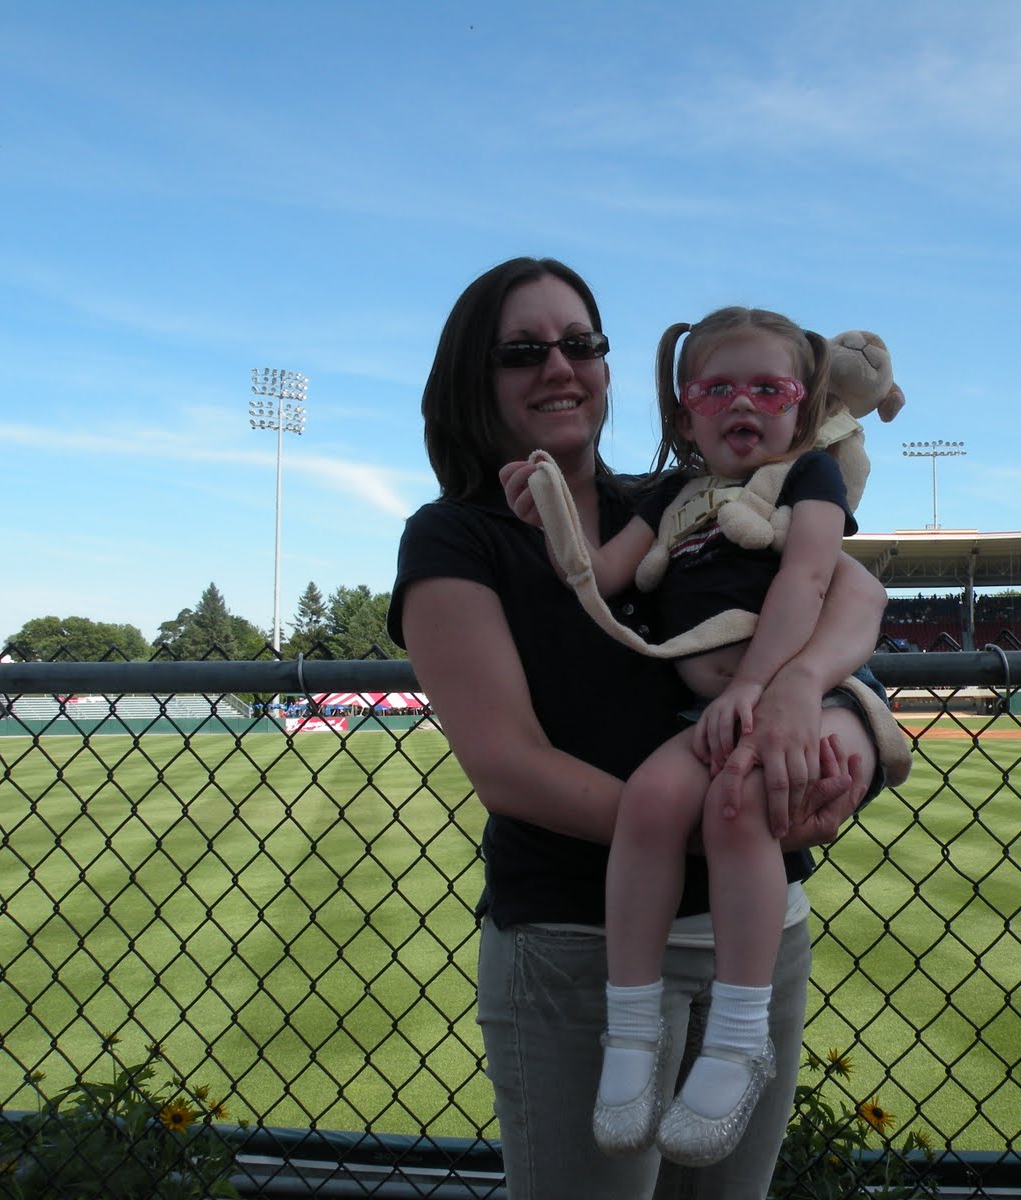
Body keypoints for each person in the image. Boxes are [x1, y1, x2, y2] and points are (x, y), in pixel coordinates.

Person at [388, 258, 891, 1200]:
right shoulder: (456, 537)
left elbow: (851, 595)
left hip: (756, 936)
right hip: (580, 941)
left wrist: (820, 714)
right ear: (472, 376)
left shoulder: (684, 494)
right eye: (522, 350)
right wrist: (732, 820)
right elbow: (510, 767)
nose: (560, 366)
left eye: (581, 343)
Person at [500, 307, 879, 1166]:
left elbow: (809, 578)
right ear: (684, 417)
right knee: (649, 802)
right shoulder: (673, 496)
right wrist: (548, 511)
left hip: (778, 692)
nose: (742, 403)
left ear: (803, 405)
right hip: (706, 711)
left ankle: (740, 1036)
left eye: (769, 389)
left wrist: (758, 688)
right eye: (716, 390)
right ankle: (631, 1030)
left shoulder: (808, 474)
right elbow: (602, 573)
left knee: (738, 808)